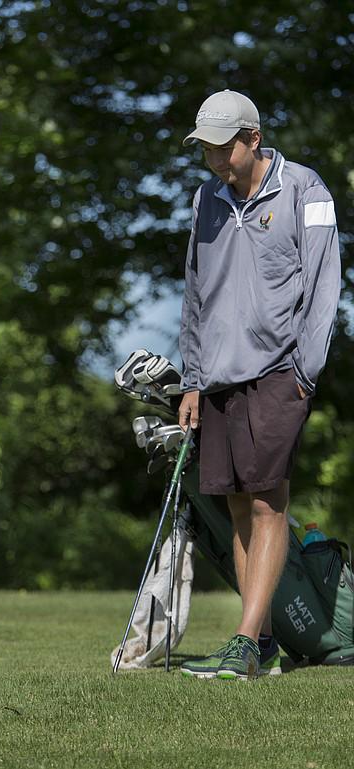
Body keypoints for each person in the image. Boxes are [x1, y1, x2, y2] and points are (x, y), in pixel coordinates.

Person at [177, 90, 341, 680]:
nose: (215, 159)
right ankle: (263, 641)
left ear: (254, 137)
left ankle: (245, 640)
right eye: (207, 149)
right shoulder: (205, 200)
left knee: (270, 501)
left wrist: (305, 372)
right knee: (240, 506)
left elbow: (324, 285)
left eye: (224, 148)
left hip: (280, 372)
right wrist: (191, 379)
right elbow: (195, 291)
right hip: (216, 376)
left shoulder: (305, 189)